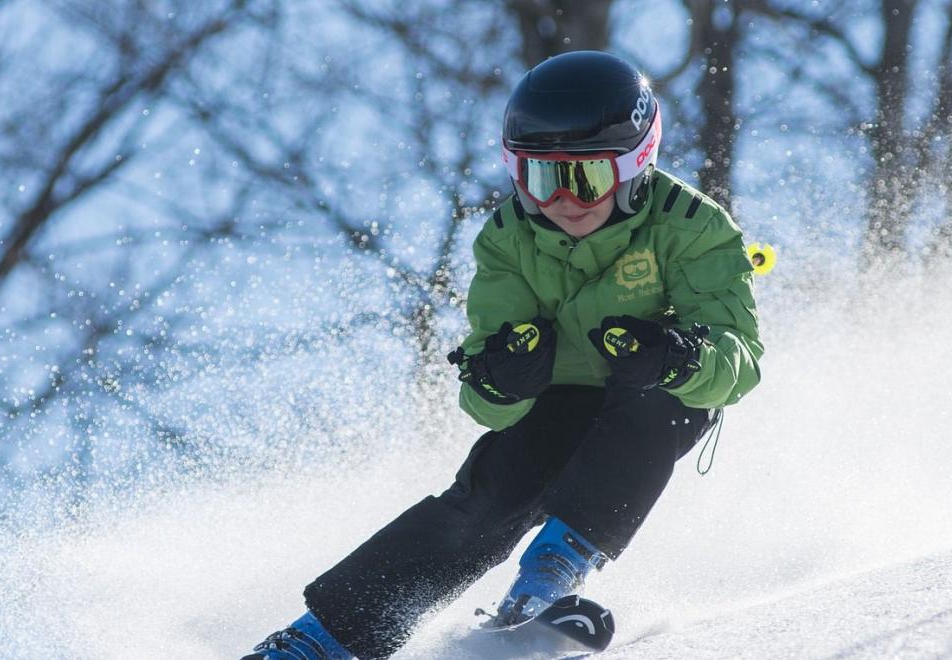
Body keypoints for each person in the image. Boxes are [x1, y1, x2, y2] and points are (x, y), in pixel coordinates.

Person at [243, 50, 763, 660]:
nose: (565, 199)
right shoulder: (508, 238)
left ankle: (546, 580)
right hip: (557, 399)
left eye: (587, 177)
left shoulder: (693, 228)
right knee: (488, 495)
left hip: (651, 392)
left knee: (655, 407)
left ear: (635, 165)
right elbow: (485, 398)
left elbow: (740, 359)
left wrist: (679, 358)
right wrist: (501, 378)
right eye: (542, 177)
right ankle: (319, 639)